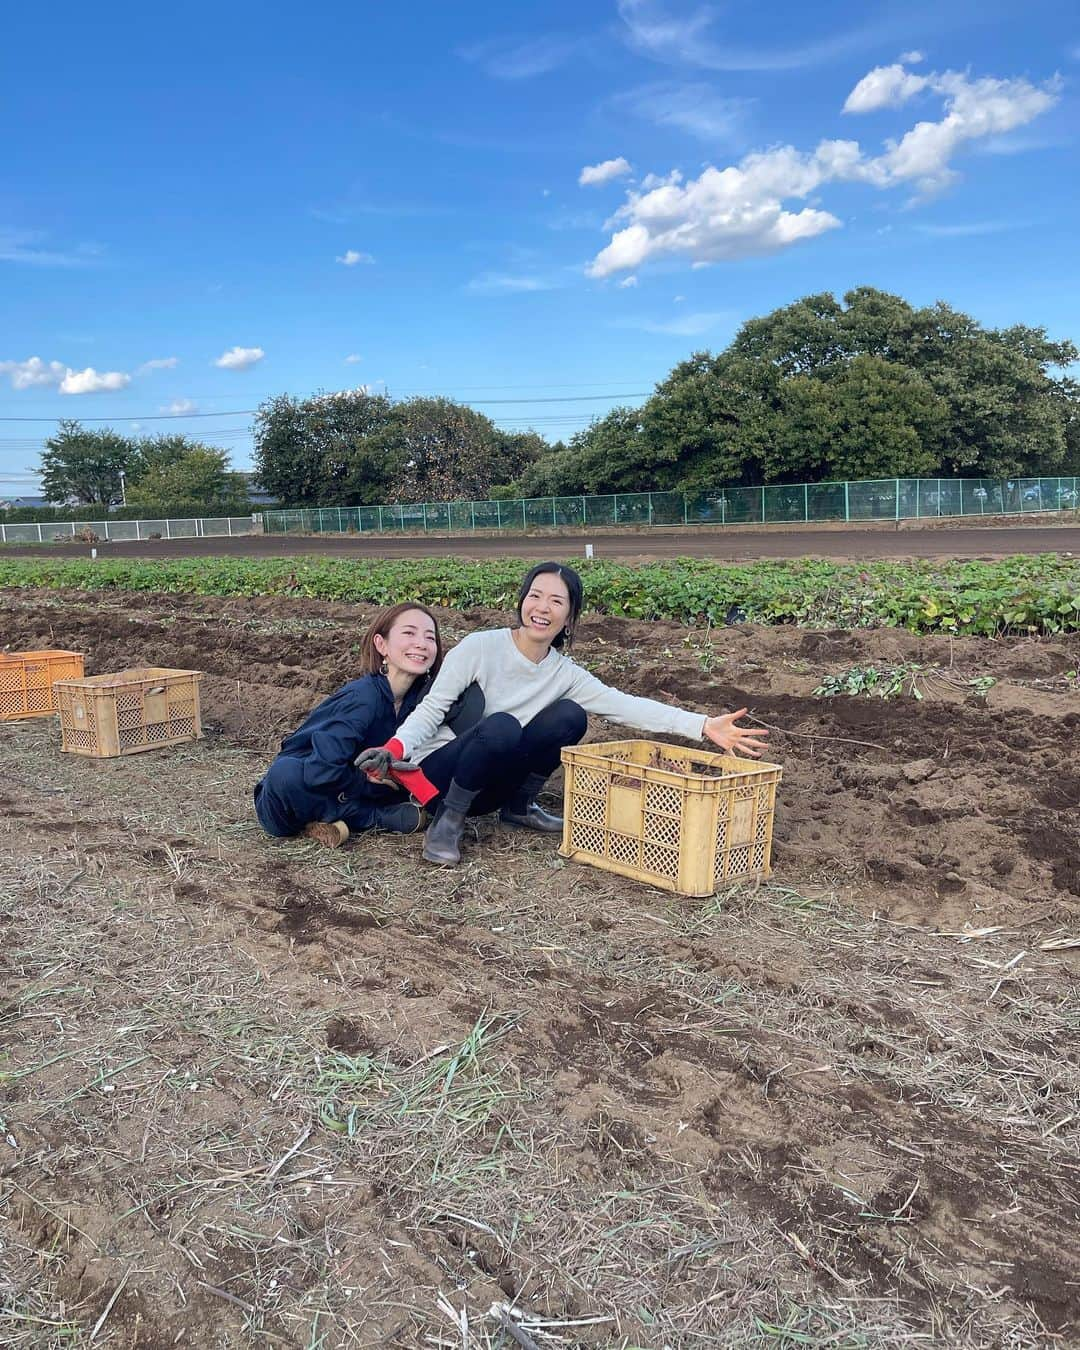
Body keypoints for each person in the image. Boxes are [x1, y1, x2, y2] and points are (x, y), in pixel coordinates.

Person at [357, 562, 769, 866]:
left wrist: (701, 725)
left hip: (493, 783)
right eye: (535, 595)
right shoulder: (480, 648)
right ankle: (447, 823)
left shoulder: (564, 673)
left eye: (556, 600)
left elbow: (625, 705)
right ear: (522, 601)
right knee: (500, 726)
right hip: (444, 776)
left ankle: (519, 807)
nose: (542, 607)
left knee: (570, 716)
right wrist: (394, 749)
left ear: (569, 617)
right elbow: (432, 709)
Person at [254, 603, 443, 847]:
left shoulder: (423, 703)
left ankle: (332, 821)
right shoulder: (362, 699)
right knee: (285, 774)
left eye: (430, 637)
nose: (421, 643)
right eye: (409, 633)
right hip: (302, 790)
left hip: (354, 789)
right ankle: (368, 817)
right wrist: (363, 781)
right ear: (381, 644)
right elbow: (321, 770)